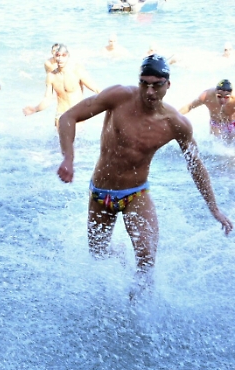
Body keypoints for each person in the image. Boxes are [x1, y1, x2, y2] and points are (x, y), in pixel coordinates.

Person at [56, 55, 232, 294]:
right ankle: (118, 255)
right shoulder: (118, 97)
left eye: (156, 85)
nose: (149, 91)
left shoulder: (176, 124)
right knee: (98, 256)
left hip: (136, 195)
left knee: (146, 261)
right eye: (144, 83)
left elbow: (195, 165)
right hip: (101, 194)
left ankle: (136, 309)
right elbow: (68, 117)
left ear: (167, 85)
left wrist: (214, 208)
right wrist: (68, 157)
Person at [23, 44, 101, 127]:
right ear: (54, 56)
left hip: (77, 113)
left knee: (77, 135)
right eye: (58, 55)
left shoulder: (77, 71)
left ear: (68, 56)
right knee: (59, 135)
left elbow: (95, 89)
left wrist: (109, 102)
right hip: (60, 115)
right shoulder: (51, 76)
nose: (60, 59)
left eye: (64, 55)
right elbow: (47, 99)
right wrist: (35, 109)